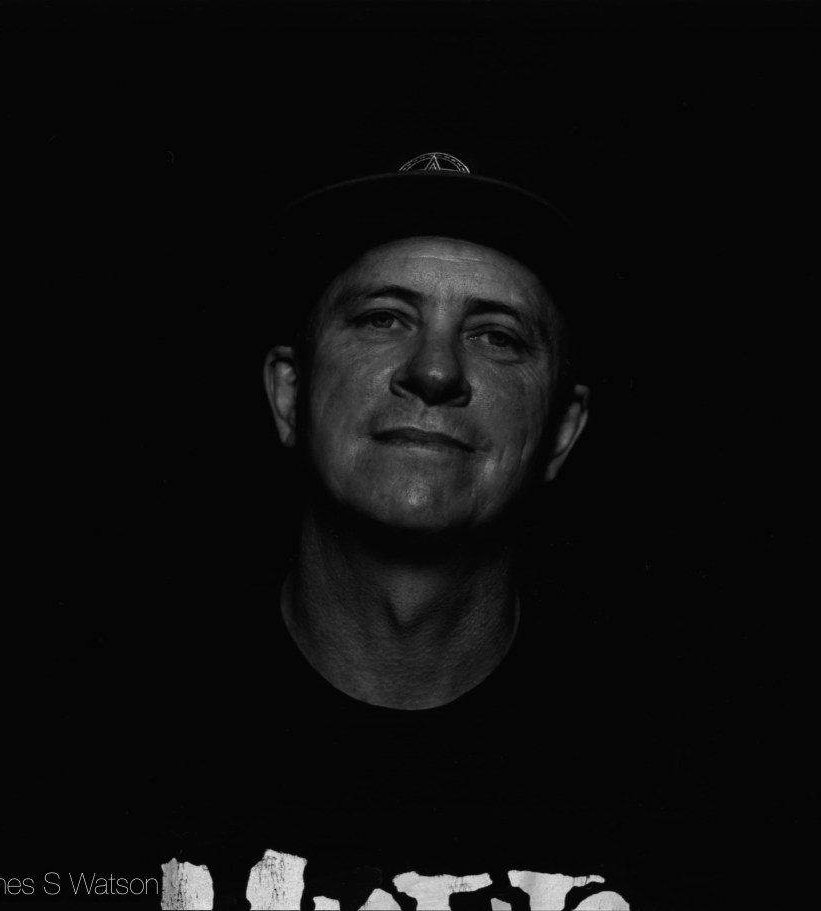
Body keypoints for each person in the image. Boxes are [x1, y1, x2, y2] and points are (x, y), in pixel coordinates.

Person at [156, 153, 704, 911]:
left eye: (497, 336)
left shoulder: (684, 776)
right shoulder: (116, 740)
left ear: (561, 430)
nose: (436, 370)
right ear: (289, 393)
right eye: (383, 318)